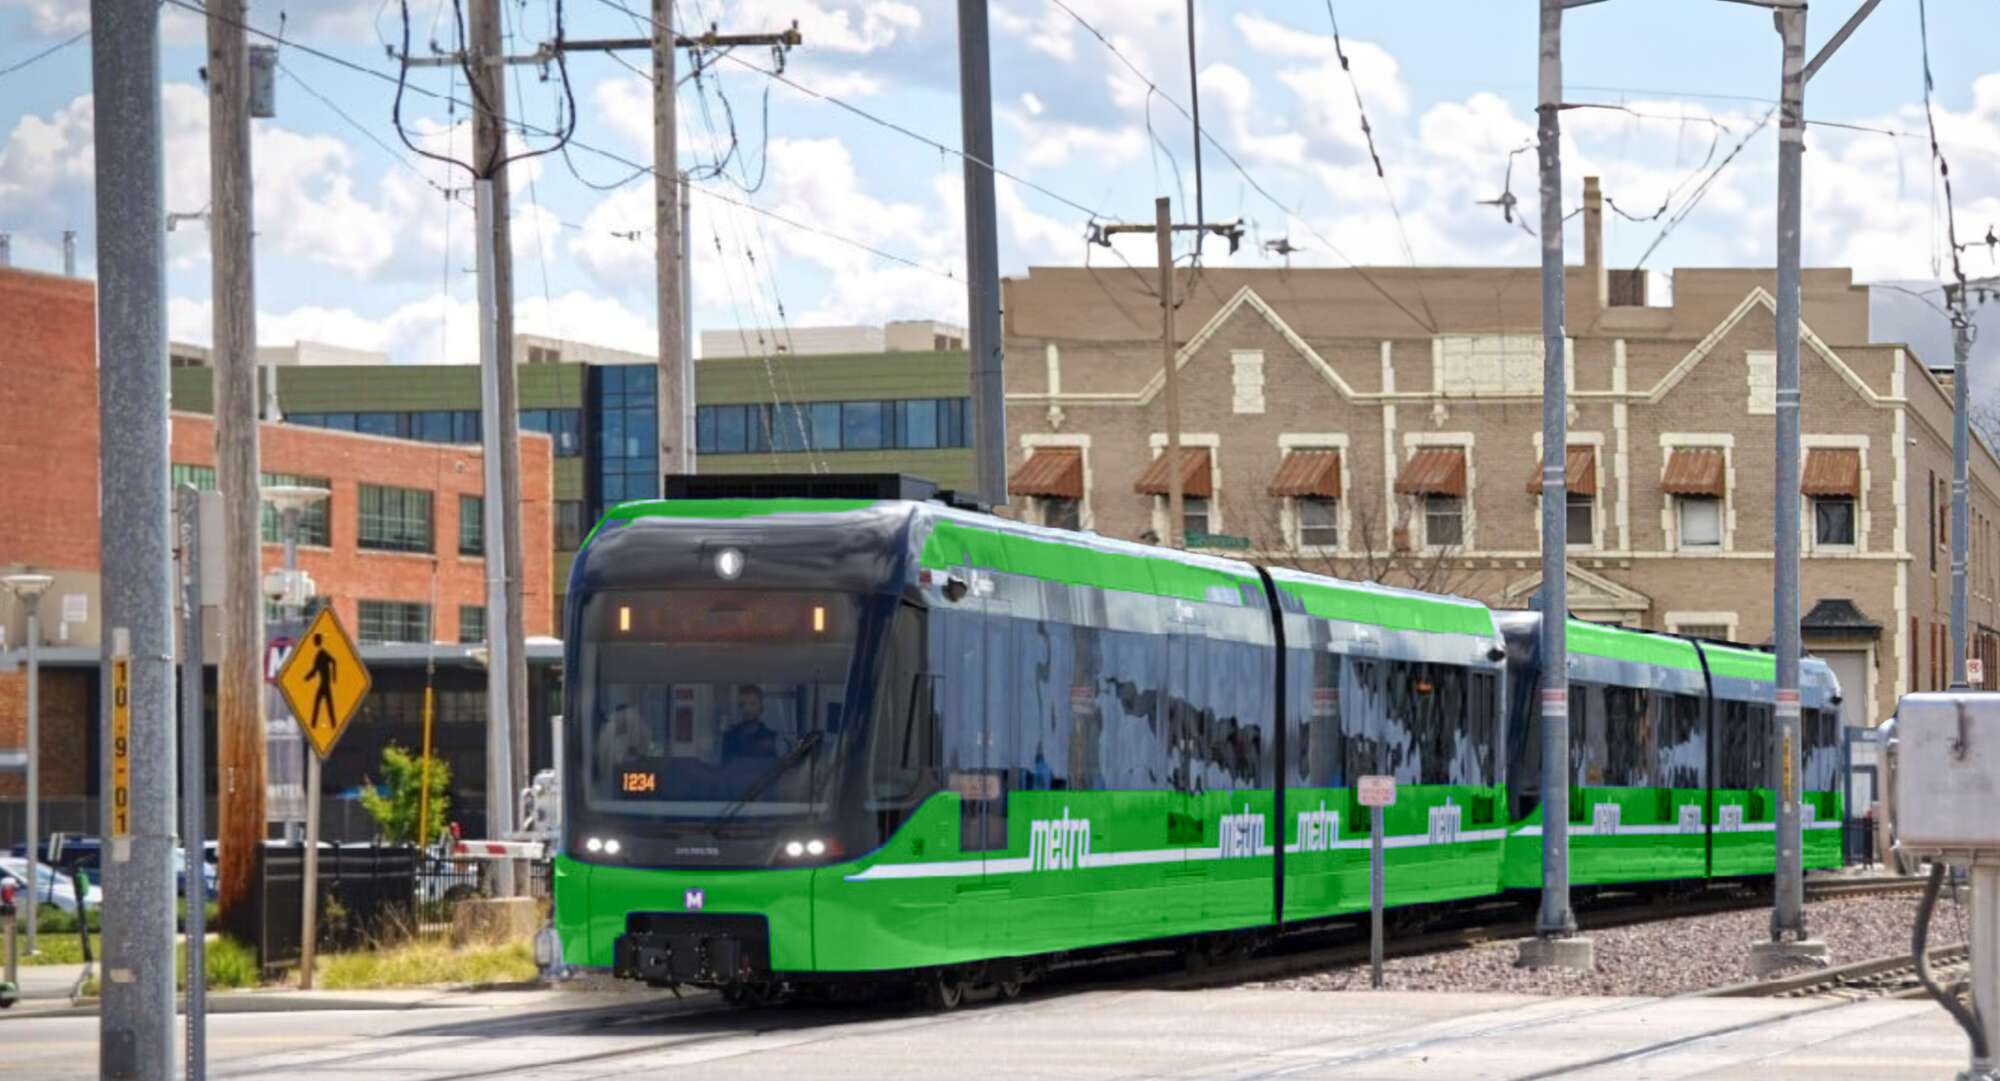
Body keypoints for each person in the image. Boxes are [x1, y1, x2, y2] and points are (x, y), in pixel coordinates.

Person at [721, 684, 780, 758]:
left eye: (752, 704)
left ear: (761, 708)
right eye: (742, 704)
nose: (747, 709)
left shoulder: (772, 738)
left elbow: (779, 766)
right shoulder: (729, 737)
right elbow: (724, 766)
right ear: (738, 708)